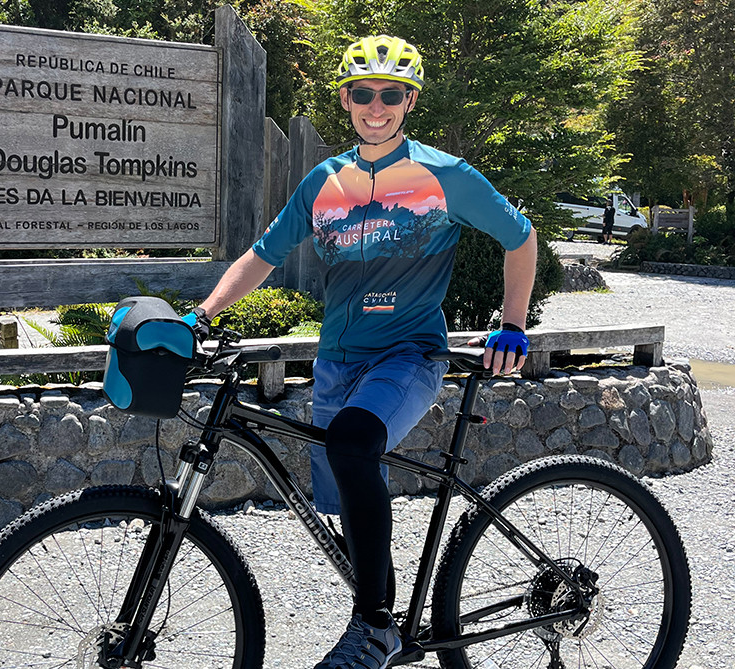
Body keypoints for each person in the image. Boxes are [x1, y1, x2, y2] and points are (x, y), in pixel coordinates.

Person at [185, 35, 537, 669]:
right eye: (364, 93)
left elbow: (521, 236)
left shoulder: (445, 176)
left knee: (350, 444)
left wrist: (512, 323)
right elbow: (262, 257)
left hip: (408, 355)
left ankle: (375, 628)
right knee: (347, 490)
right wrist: (201, 316)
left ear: (409, 101)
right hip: (336, 363)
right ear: (346, 99)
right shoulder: (324, 181)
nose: (377, 106)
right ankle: (385, 616)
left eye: (392, 94)